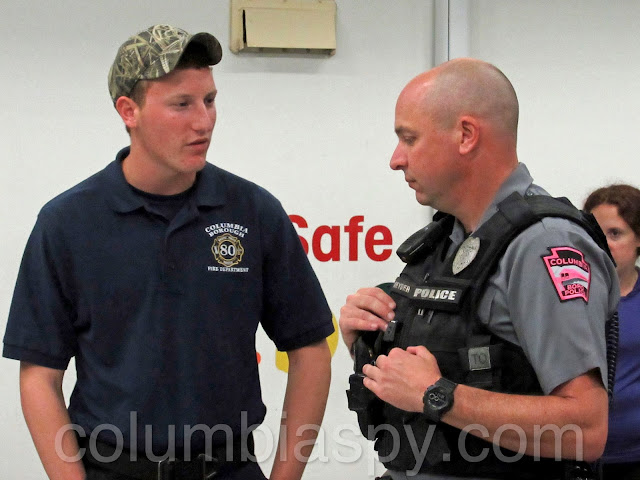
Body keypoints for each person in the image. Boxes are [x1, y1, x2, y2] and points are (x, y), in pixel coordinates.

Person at [3, 24, 333, 480]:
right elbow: (39, 375)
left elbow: (310, 349)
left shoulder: (254, 212)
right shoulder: (67, 223)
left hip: (229, 469)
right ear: (129, 111)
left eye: (209, 100)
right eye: (181, 104)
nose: (204, 121)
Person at [339, 58, 619, 480]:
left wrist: (436, 394)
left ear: (466, 135)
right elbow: (440, 374)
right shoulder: (448, 238)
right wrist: (366, 343)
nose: (396, 160)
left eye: (409, 139)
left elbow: (586, 429)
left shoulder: (542, 246)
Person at [584, 184, 640, 480]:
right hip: (578, 453)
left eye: (615, 233)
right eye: (595, 233)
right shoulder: (567, 300)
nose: (603, 244)